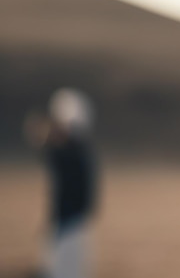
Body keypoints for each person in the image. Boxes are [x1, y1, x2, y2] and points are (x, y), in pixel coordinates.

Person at [43, 88, 98, 278]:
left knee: (65, 267)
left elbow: (56, 159)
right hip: (72, 218)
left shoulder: (72, 152)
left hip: (70, 219)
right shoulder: (81, 151)